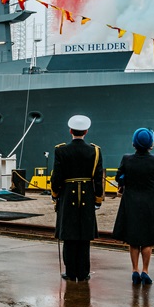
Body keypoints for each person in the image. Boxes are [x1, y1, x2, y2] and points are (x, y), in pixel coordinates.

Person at [50, 114, 103, 281]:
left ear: (70, 131)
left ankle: (71, 272)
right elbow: (98, 178)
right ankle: (84, 272)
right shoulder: (95, 151)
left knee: (69, 236)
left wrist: (55, 195)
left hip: (67, 196)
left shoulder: (61, 150)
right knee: (84, 237)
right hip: (87, 196)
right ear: (86, 131)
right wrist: (98, 199)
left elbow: (56, 177)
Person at [111, 128, 154, 285]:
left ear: (134, 143)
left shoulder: (127, 159)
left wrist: (123, 183)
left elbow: (118, 177)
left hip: (131, 202)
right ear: (151, 145)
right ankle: (145, 271)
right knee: (147, 240)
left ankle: (134, 270)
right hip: (150, 203)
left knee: (134, 240)